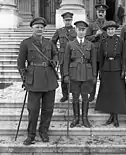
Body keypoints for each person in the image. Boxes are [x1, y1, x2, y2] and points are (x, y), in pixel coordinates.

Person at [17, 17, 59, 145]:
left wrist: (55, 60)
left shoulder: (49, 42)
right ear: (32, 28)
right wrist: (25, 78)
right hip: (34, 80)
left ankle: (44, 131)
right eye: (37, 27)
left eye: (41, 27)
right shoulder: (26, 43)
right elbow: (20, 63)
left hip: (49, 79)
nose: (39, 29)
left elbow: (55, 54)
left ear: (44, 29)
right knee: (33, 109)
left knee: (48, 109)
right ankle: (31, 134)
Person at [63, 20, 97, 128]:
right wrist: (66, 75)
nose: (81, 32)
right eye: (79, 29)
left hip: (87, 74)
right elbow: (66, 61)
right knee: (75, 97)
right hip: (74, 74)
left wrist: (94, 75)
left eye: (83, 30)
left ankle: (85, 118)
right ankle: (76, 118)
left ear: (86, 31)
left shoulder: (90, 45)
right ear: (76, 30)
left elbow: (93, 61)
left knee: (85, 97)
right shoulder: (70, 44)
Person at [95, 21, 126, 127]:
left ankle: (116, 116)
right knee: (109, 93)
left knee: (117, 93)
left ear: (115, 30)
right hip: (106, 69)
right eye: (109, 29)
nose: (110, 31)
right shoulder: (103, 42)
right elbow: (100, 58)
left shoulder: (120, 41)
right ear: (106, 31)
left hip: (117, 68)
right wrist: (100, 71)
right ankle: (111, 116)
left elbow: (124, 56)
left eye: (112, 29)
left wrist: (123, 70)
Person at [52, 12, 77, 102]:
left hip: (73, 57)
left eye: (69, 20)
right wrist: (57, 51)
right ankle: (65, 95)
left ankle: (74, 94)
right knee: (64, 76)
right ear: (63, 21)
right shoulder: (59, 31)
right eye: (66, 20)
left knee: (74, 76)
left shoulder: (75, 30)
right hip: (62, 57)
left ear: (72, 20)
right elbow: (52, 42)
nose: (68, 22)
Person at [86, 4, 109, 102]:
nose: (101, 13)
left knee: (104, 77)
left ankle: (103, 95)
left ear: (105, 13)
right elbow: (86, 38)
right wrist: (95, 35)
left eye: (102, 12)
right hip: (94, 55)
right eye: (99, 12)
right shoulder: (91, 25)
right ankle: (91, 95)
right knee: (93, 76)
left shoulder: (109, 24)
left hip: (105, 55)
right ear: (96, 13)